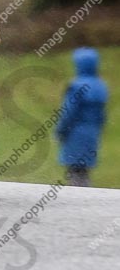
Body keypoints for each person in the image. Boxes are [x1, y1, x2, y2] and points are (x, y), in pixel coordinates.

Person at [55, 47, 108, 187]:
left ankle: (77, 197)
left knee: (75, 170)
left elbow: (68, 112)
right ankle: (86, 194)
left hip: (75, 133)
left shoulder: (76, 86)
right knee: (84, 170)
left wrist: (60, 131)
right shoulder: (100, 86)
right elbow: (102, 115)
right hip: (92, 133)